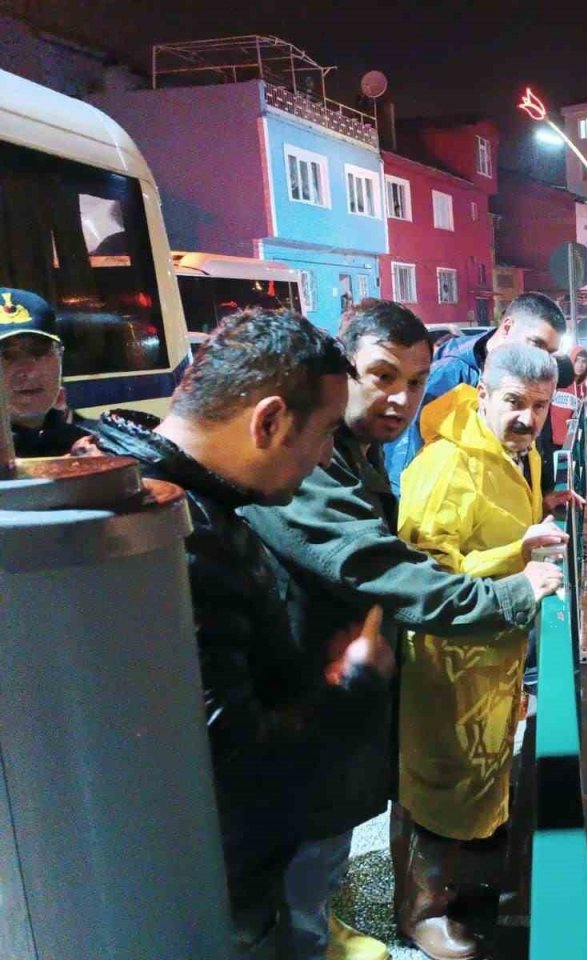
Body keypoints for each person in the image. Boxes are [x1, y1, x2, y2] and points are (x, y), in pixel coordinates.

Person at [239, 300, 563, 960]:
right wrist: (515, 580)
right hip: (354, 671)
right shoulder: (343, 464)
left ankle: (323, 925)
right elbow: (405, 567)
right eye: (383, 376)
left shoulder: (363, 454)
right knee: (412, 789)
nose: (401, 398)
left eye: (414, 382)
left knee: (351, 817)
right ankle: (390, 916)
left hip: (368, 670)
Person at [94, 309, 390, 959]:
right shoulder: (180, 538)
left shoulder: (147, 490)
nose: (325, 457)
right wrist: (353, 682)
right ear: (270, 420)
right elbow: (237, 757)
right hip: (213, 891)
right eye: (324, 434)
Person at [394, 345, 567, 959]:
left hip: (492, 646)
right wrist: (517, 556)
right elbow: (423, 573)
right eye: (515, 402)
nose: (528, 418)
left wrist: (543, 513)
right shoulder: (447, 463)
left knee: (476, 766)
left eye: (540, 406)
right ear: (485, 394)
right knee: (438, 776)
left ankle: (458, 876)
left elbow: (500, 523)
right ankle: (420, 911)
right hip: (448, 653)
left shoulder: (519, 454)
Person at [382, 293, 566, 496]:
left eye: (550, 352)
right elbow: (405, 461)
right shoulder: (449, 375)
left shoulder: (531, 379)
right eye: (537, 344)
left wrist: (539, 499)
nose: (542, 358)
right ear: (507, 327)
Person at [0, 287, 90, 457]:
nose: (29, 371)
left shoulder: (94, 447)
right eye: (7, 355)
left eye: (40, 351)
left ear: (60, 356)